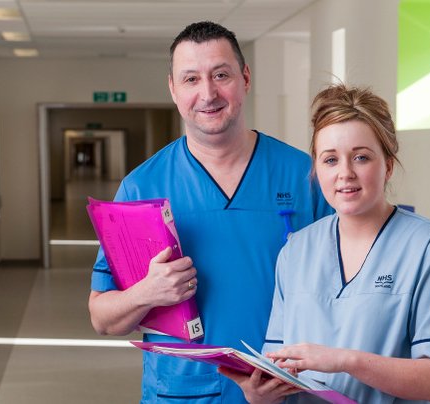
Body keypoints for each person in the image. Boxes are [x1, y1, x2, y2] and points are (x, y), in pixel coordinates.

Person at [88, 21, 332, 403]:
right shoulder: (141, 187)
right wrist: (146, 293)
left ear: (245, 78)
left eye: (221, 74)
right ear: (173, 88)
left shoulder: (305, 175)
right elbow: (102, 317)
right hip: (184, 393)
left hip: (285, 391)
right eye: (191, 79)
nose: (208, 93)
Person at [220, 84, 430, 403]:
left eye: (361, 157)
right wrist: (259, 394)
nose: (345, 174)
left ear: (388, 165)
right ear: (316, 169)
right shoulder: (296, 251)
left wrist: (345, 361)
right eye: (330, 160)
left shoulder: (429, 248)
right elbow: (277, 367)